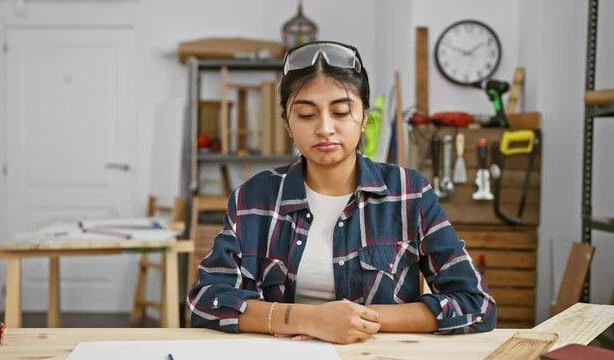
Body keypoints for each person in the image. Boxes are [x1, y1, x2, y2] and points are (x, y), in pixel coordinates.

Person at [187, 41, 496, 344]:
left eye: (341, 112)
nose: (324, 128)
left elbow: (476, 305)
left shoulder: (409, 193)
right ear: (287, 123)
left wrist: (359, 319)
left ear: (363, 117)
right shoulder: (254, 198)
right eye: (306, 115)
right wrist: (311, 320)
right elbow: (208, 300)